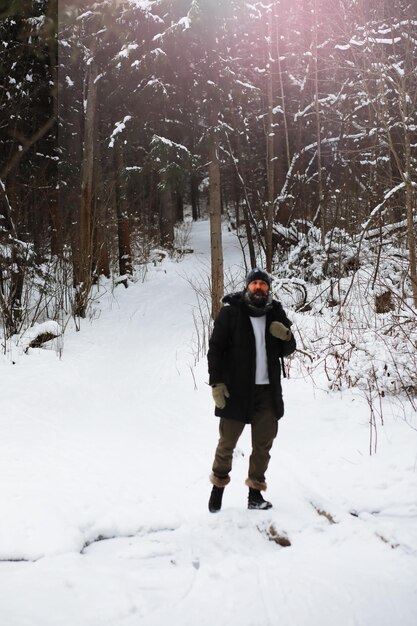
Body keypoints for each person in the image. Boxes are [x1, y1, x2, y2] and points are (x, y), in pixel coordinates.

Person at [207, 268, 296, 512]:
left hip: (267, 392)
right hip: (236, 389)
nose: (259, 287)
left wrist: (286, 335)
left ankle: (255, 495)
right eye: (254, 283)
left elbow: (289, 348)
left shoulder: (275, 312)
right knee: (227, 443)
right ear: (247, 286)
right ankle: (218, 489)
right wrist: (216, 382)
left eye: (263, 284)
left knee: (263, 445)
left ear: (268, 288)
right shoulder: (231, 313)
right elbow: (215, 349)